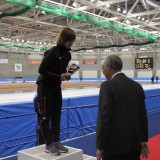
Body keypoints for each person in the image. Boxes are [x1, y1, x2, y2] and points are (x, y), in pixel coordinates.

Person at [96, 55, 149, 160]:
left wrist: (100, 146)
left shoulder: (107, 86)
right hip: (134, 144)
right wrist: (144, 140)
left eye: (103, 68)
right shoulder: (137, 86)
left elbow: (104, 119)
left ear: (110, 67)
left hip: (114, 147)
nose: (102, 71)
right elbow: (143, 116)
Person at [36, 27, 76, 156]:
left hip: (56, 87)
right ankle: (48, 143)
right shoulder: (52, 52)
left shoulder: (67, 54)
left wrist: (64, 75)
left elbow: (60, 71)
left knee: (57, 115)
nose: (71, 43)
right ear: (64, 39)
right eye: (70, 40)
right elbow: (42, 70)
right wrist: (58, 76)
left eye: (72, 41)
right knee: (45, 115)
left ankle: (56, 141)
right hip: (45, 86)